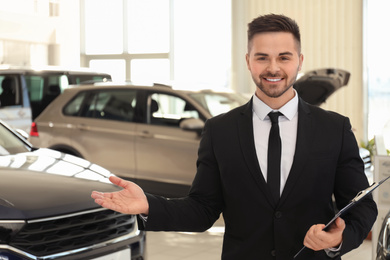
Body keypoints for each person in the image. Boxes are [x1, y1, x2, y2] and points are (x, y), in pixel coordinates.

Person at [91, 14, 377, 259]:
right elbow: (203, 209)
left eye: (284, 57)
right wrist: (150, 205)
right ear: (248, 61)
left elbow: (362, 208)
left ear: (299, 61)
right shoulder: (220, 130)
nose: (273, 68)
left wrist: (338, 240)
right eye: (262, 57)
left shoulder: (334, 128)